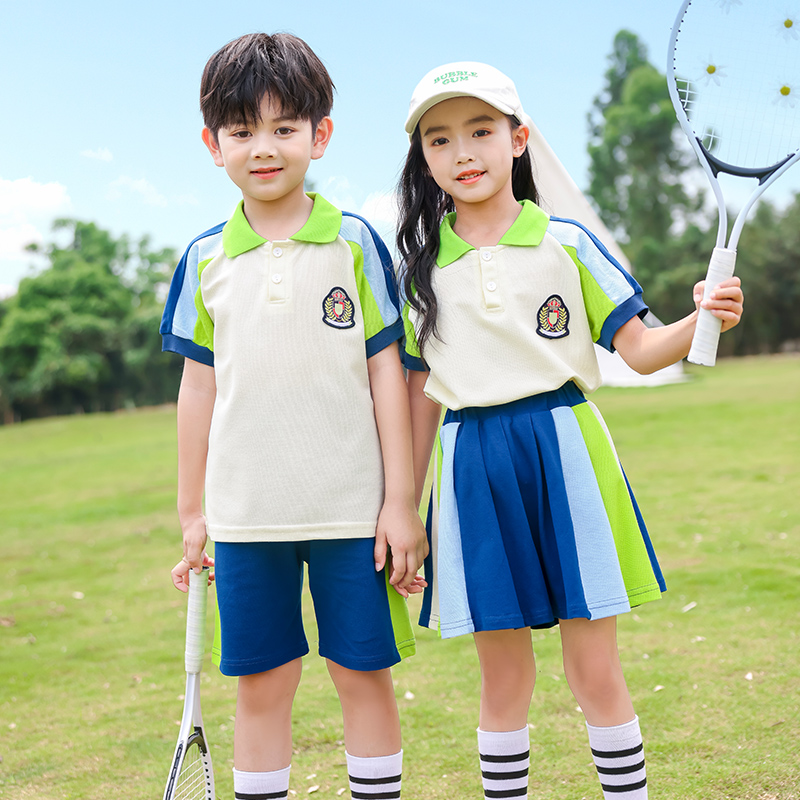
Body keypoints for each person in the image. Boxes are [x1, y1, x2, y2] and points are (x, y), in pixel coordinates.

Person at [396, 62, 744, 800]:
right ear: (423, 158)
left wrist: (701, 315)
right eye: (440, 139)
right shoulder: (420, 272)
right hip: (471, 466)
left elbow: (643, 352)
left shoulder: (570, 242)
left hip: (565, 451)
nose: (463, 153)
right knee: (504, 680)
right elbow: (421, 397)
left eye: (482, 131)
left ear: (519, 139)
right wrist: (404, 509)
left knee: (595, 671)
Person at [160, 33, 427, 800]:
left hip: (352, 513)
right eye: (242, 131)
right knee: (262, 688)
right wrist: (193, 512)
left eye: (284, 127)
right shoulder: (205, 257)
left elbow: (390, 375)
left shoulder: (356, 244)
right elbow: (198, 389)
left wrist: (399, 504)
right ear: (213, 145)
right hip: (245, 520)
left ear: (321, 134)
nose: (263, 147)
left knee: (362, 676)